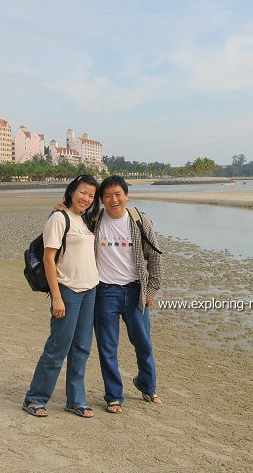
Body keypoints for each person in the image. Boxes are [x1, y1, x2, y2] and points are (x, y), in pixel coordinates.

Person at [23, 175, 100, 418]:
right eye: (83, 192)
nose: (86, 198)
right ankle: (35, 398)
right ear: (71, 192)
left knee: (81, 348)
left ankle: (76, 401)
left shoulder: (83, 220)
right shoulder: (59, 218)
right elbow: (48, 258)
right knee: (58, 347)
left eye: (91, 195)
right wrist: (56, 297)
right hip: (68, 290)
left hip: (90, 290)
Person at [92, 175, 163, 414]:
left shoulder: (139, 221)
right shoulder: (93, 220)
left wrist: (150, 289)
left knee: (143, 343)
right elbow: (68, 217)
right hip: (104, 293)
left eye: (118, 194)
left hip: (135, 292)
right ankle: (114, 396)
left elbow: (154, 257)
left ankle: (147, 386)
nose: (113, 200)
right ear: (101, 199)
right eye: (108, 196)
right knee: (107, 347)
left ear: (126, 195)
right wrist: (58, 207)